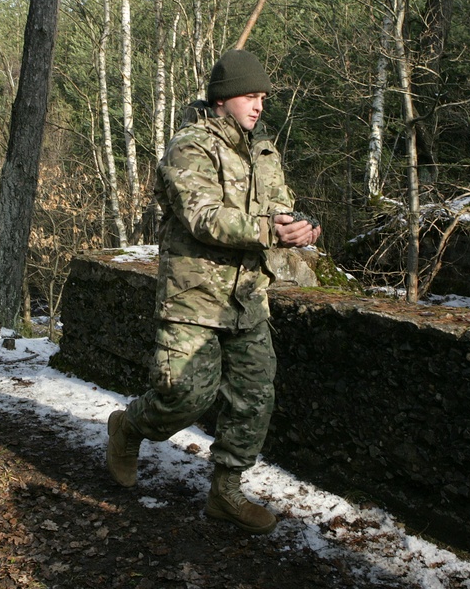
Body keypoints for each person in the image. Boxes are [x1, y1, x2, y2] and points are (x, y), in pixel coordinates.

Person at [105, 49, 321, 535]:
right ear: (222, 98)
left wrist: (299, 229)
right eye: (250, 95)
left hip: (248, 297)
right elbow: (201, 216)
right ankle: (130, 427)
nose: (259, 105)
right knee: (184, 397)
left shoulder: (264, 151)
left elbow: (280, 206)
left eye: (263, 97)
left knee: (253, 399)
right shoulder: (190, 146)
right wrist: (268, 229)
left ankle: (226, 492)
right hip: (195, 295)